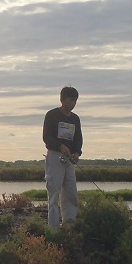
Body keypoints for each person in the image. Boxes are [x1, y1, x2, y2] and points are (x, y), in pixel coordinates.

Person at [42, 86, 82, 230]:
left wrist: (77, 153)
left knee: (71, 191)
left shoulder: (75, 119)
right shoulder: (52, 115)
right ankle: (53, 229)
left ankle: (69, 223)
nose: (73, 103)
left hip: (70, 159)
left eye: (75, 100)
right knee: (54, 193)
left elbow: (78, 139)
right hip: (54, 156)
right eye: (71, 100)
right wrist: (60, 147)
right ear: (62, 99)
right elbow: (47, 138)